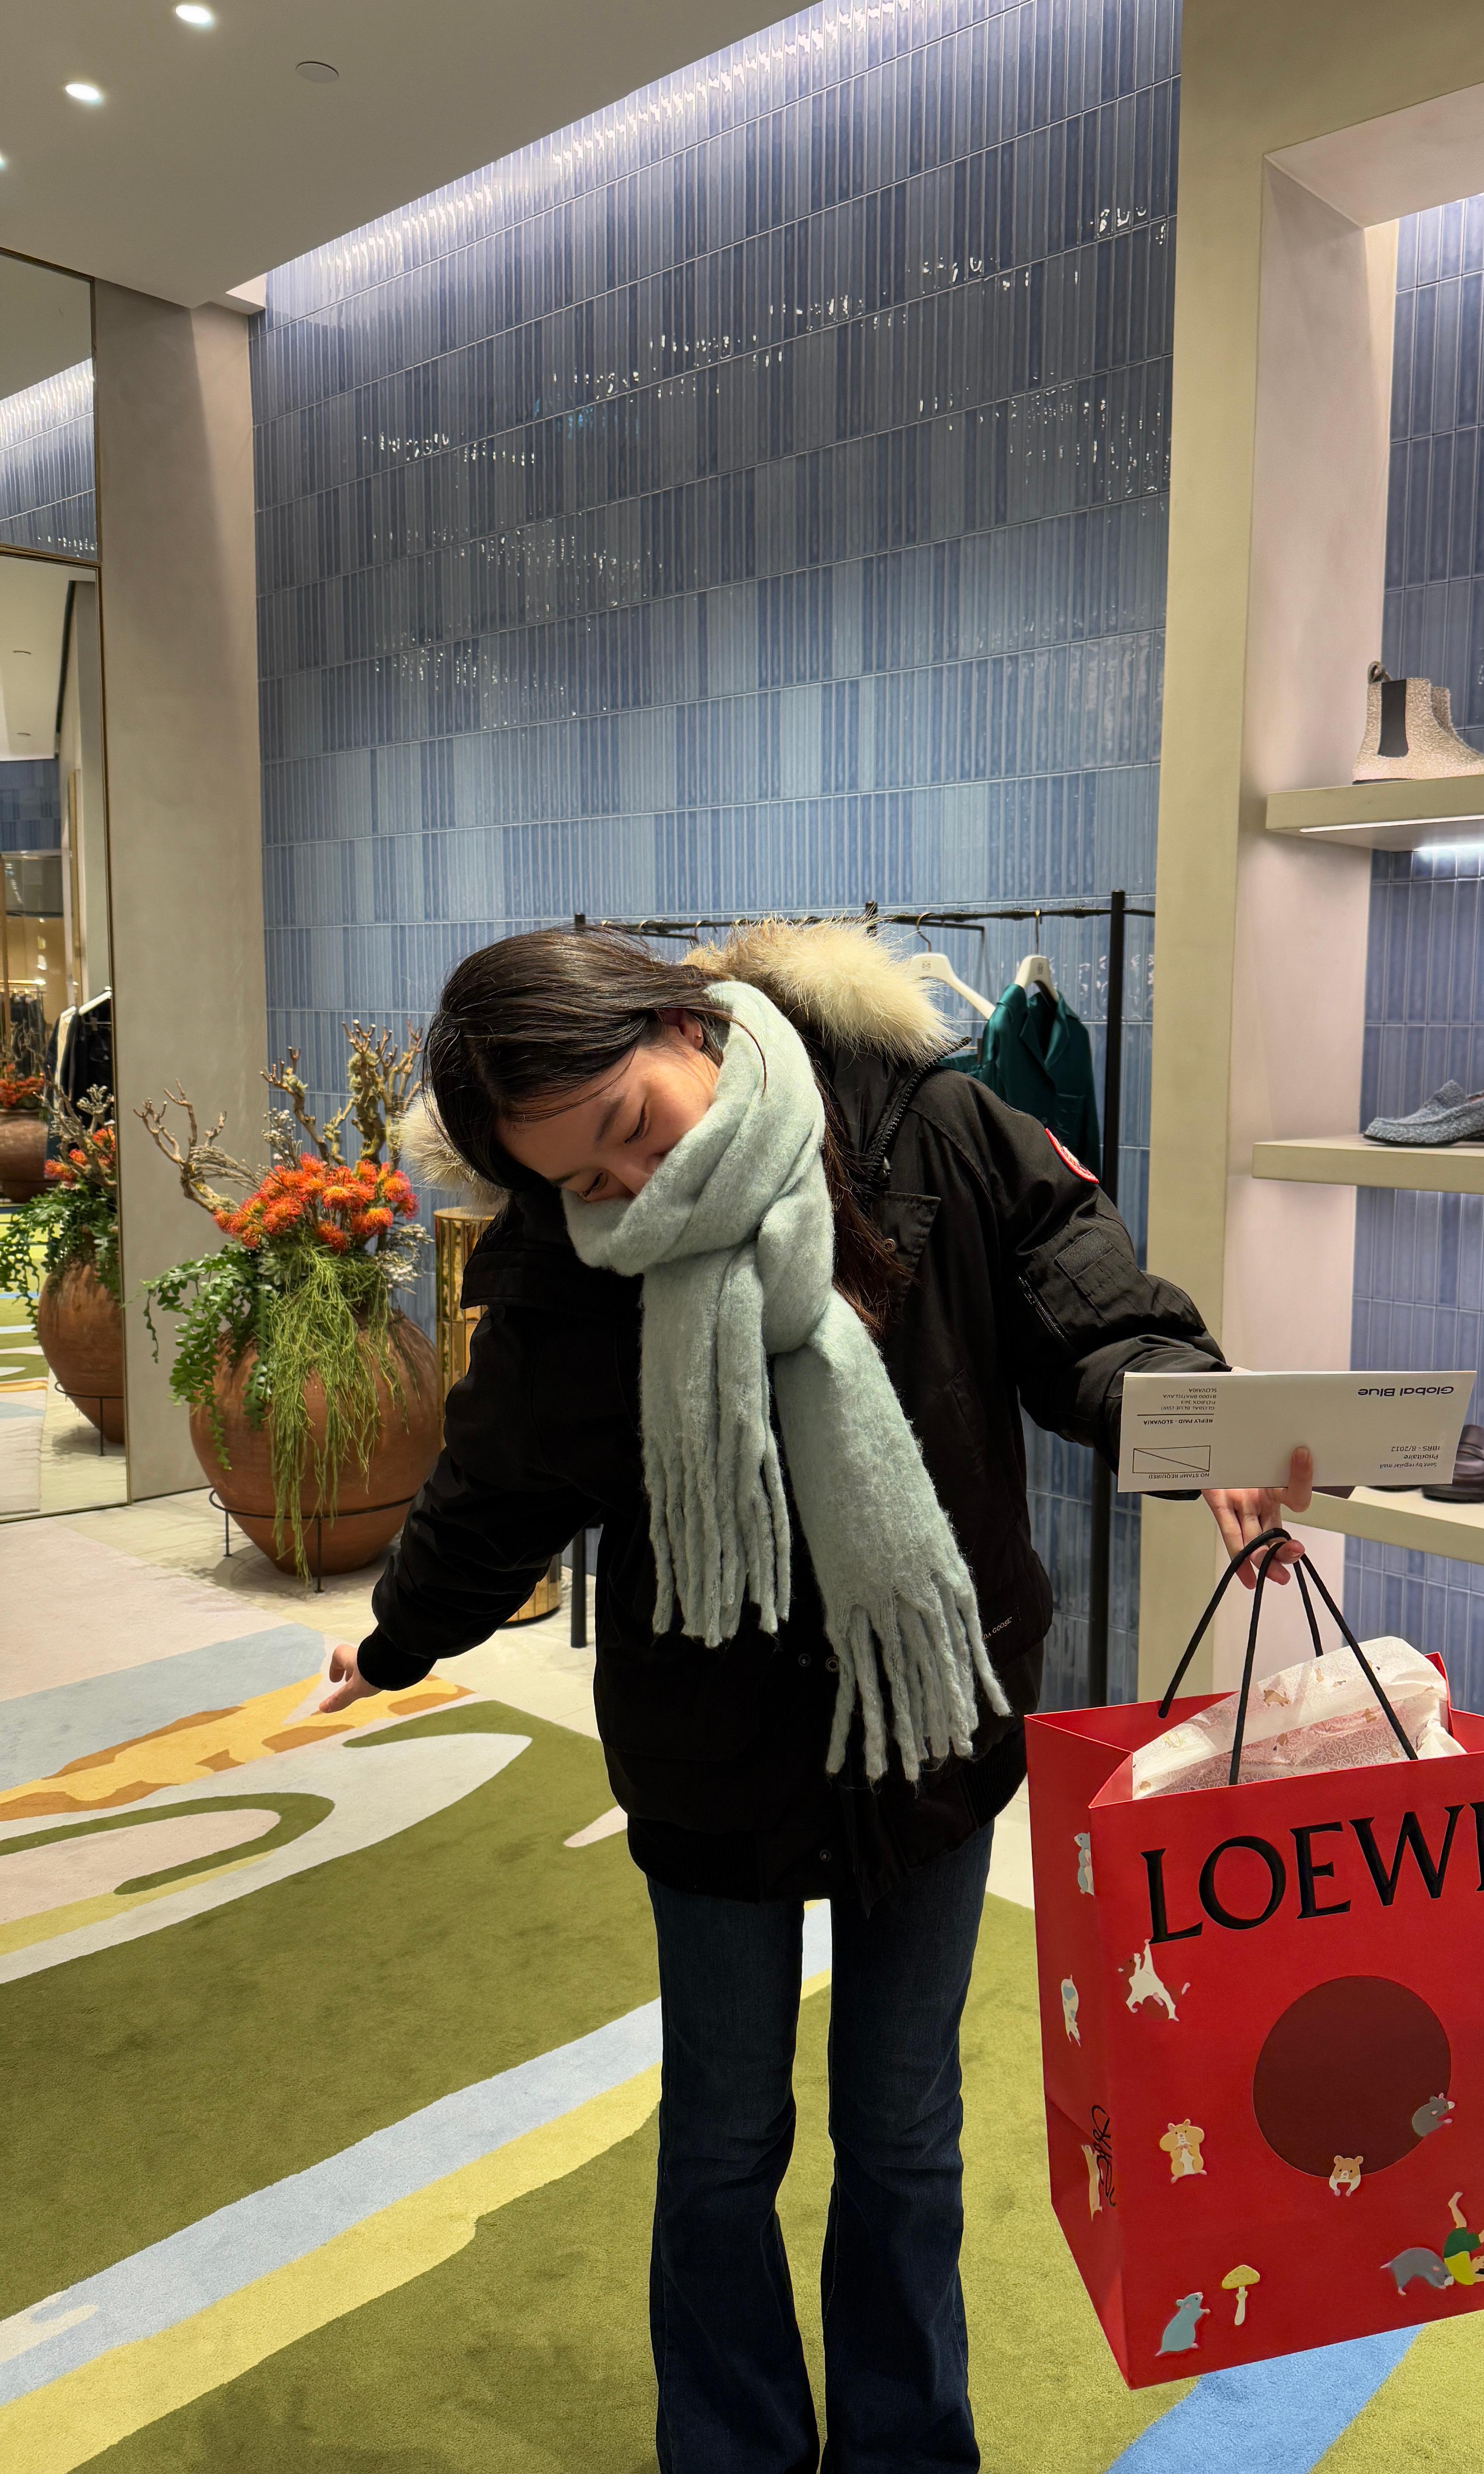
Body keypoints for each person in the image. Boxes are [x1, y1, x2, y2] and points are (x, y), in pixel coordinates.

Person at [318, 920, 1310, 2473]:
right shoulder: (571, 1255)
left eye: (632, 1127)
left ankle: (908, 2449)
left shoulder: (930, 1124)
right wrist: (398, 1635)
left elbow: (1091, 1313)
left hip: (930, 1716)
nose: (630, 1185)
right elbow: (506, 1475)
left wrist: (1195, 1418)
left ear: (682, 1024)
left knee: (904, 2133)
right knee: (723, 2139)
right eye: (584, 1179)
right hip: (711, 1742)